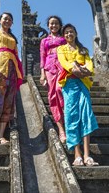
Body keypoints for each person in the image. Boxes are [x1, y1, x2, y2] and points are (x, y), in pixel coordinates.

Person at [56, 23, 99, 166]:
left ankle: (87, 154)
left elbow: (90, 67)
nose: (69, 34)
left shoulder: (83, 50)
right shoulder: (61, 49)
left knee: (86, 114)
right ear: (64, 36)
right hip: (69, 85)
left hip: (83, 84)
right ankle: (77, 154)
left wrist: (81, 69)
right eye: (66, 33)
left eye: (71, 32)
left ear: (76, 33)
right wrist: (77, 69)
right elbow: (66, 64)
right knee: (72, 115)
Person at [0, 12, 23, 144]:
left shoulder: (13, 37)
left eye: (10, 19)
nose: (7, 21)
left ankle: (1, 134)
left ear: (12, 23)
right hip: (0, 66)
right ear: (0, 20)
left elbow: (16, 54)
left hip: (12, 68)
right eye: (5, 18)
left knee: (9, 101)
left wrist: (19, 70)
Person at [39, 15, 67, 143]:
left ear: (60, 25)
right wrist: (42, 74)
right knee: (52, 96)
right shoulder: (44, 41)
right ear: (48, 26)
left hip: (63, 66)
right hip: (49, 68)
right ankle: (61, 130)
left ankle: (69, 125)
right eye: (51, 24)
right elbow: (42, 57)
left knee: (61, 92)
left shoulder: (64, 39)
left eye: (56, 23)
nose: (53, 26)